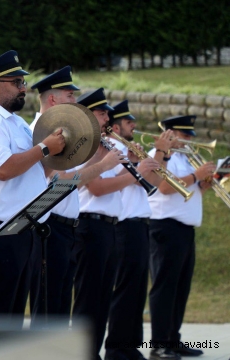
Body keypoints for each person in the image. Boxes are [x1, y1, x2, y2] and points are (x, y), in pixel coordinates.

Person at [0, 50, 65, 328]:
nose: (23, 88)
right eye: (16, 83)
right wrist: (45, 147)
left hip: (21, 229)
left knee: (11, 316)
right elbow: (3, 170)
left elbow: (35, 169)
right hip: (0, 232)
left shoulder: (17, 123)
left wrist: (59, 153)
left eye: (23, 83)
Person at [28, 67, 124, 328]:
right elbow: (59, 183)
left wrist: (97, 157)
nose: (75, 103)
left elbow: (71, 179)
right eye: (71, 97)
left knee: (59, 309)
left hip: (66, 226)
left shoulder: (61, 130)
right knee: (47, 309)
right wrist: (102, 166)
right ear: (53, 100)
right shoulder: (41, 131)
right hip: (49, 225)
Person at [73, 89, 160, 359]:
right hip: (90, 226)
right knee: (89, 300)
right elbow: (97, 188)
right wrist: (135, 175)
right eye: (102, 113)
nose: (107, 118)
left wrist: (134, 166)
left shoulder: (105, 146)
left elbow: (119, 182)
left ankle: (96, 353)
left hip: (109, 226)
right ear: (87, 116)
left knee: (101, 300)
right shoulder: (85, 145)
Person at [104, 100, 174, 360]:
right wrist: (155, 154)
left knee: (135, 291)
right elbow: (142, 178)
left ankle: (131, 347)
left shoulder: (127, 149)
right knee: (125, 290)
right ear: (116, 126)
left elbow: (154, 180)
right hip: (124, 223)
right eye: (128, 121)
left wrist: (162, 155)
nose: (134, 125)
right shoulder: (114, 150)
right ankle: (118, 349)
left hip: (139, 224)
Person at [147, 115, 213, 359]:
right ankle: (159, 344)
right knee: (165, 287)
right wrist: (196, 175)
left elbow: (189, 191)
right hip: (166, 226)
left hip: (184, 229)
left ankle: (173, 339)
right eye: (184, 136)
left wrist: (204, 183)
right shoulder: (164, 157)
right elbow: (165, 187)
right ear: (170, 134)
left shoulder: (184, 159)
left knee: (180, 287)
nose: (188, 140)